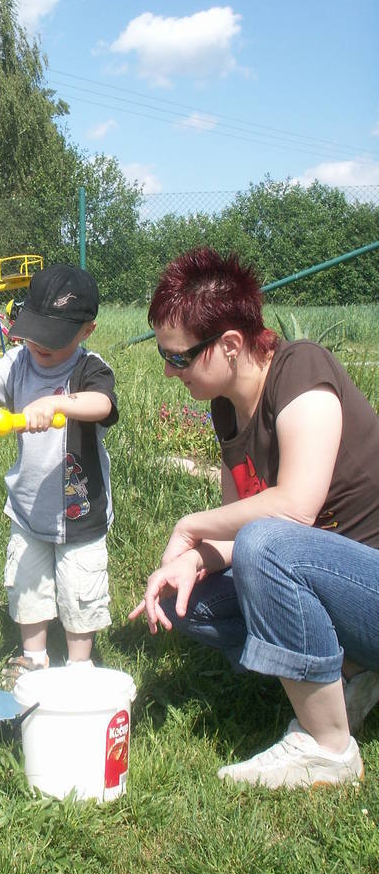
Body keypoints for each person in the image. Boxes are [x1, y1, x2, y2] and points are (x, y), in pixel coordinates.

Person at [129, 247, 379, 789]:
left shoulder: (301, 369)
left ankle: (329, 749)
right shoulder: (226, 408)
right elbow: (237, 529)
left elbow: (294, 507)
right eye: (164, 356)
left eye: (179, 357)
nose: (169, 371)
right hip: (326, 582)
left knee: (266, 542)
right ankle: (351, 674)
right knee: (182, 598)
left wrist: (189, 526)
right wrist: (193, 561)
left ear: (230, 345)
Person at [0, 264, 118, 687]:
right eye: (34, 331)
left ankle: (79, 664)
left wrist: (57, 404)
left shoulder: (90, 369)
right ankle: (34, 658)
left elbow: (101, 405)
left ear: (86, 331)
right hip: (28, 510)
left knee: (80, 589)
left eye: (54, 335)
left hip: (80, 511)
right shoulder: (17, 362)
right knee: (27, 586)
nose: (41, 343)